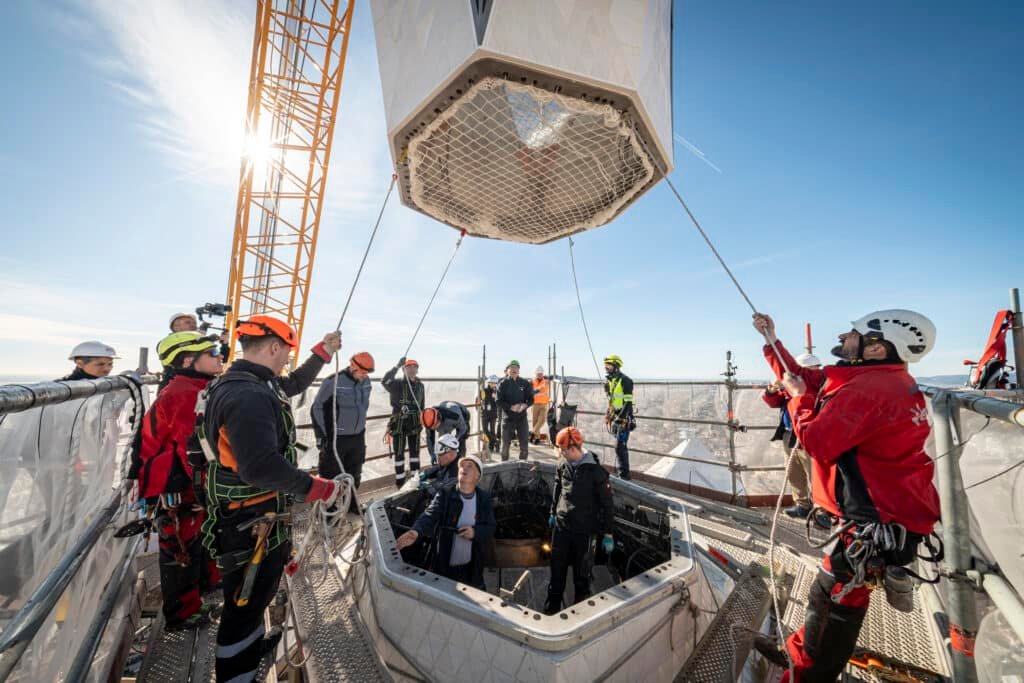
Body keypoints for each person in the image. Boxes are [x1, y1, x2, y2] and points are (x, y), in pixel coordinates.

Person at [751, 310, 940, 683]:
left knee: (834, 600)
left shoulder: (868, 390)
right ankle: (801, 653)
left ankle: (807, 673)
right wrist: (773, 340)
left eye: (855, 334)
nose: (843, 335)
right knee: (835, 594)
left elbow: (818, 440)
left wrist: (799, 401)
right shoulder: (878, 379)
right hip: (887, 513)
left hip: (875, 519)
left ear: (874, 348)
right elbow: (805, 378)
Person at [198, 315, 342, 682]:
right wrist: (316, 488)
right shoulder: (249, 395)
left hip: (249, 517)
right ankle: (236, 674)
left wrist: (322, 353)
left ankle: (247, 652)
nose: (286, 361)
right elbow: (260, 466)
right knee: (244, 603)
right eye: (286, 353)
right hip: (252, 522)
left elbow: (291, 384)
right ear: (274, 347)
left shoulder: (244, 382)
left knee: (251, 599)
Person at [138, 332, 224, 629]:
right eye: (212, 352)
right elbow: (195, 450)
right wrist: (217, 490)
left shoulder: (199, 387)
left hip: (189, 484)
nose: (220, 356)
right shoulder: (183, 393)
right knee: (181, 551)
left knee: (200, 539)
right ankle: (182, 614)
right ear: (188, 360)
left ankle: (207, 585)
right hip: (178, 486)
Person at [394, 455, 496, 589]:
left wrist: (475, 532)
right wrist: (416, 531)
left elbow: (490, 527)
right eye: (461, 466)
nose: (463, 468)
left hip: (471, 567)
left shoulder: (483, 499)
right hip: (445, 564)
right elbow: (430, 514)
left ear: (478, 476)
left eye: (469, 466)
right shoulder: (446, 494)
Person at [543, 427, 615, 615]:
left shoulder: (596, 472)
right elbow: (558, 488)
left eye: (563, 450)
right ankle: (552, 607)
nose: (561, 453)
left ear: (573, 448)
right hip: (562, 527)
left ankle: (579, 611)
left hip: (584, 532)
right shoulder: (563, 464)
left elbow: (607, 505)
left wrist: (608, 534)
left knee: (581, 575)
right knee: (557, 570)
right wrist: (553, 512)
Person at [762, 351, 822, 519]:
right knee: (794, 471)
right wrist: (772, 388)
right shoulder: (791, 389)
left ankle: (823, 510)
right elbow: (772, 402)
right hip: (790, 435)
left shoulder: (819, 388)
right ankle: (803, 505)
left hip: (810, 435)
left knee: (816, 474)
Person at [311, 351, 374, 486]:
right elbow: (317, 408)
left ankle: (351, 504)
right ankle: (331, 507)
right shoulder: (333, 382)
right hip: (337, 439)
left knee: (354, 475)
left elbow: (364, 405)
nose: (365, 376)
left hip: (357, 438)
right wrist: (323, 436)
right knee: (332, 478)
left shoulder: (366, 381)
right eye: (362, 372)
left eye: (367, 373)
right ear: (353, 366)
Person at [382, 357, 425, 486]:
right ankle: (400, 482)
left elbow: (422, 405)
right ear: (403, 369)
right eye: (408, 367)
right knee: (399, 454)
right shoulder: (396, 384)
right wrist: (396, 366)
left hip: (415, 423)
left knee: (415, 453)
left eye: (414, 367)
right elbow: (384, 381)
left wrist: (422, 419)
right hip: (399, 423)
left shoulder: (420, 386)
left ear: (417, 369)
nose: (412, 369)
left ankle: (415, 479)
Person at [603, 354, 635, 479]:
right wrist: (608, 414)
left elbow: (628, 402)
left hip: (624, 418)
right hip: (616, 416)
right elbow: (612, 401)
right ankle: (622, 473)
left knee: (620, 447)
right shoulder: (611, 381)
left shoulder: (626, 381)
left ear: (616, 366)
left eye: (608, 365)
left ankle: (624, 475)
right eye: (605, 366)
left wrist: (620, 418)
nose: (606, 368)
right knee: (619, 447)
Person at [496, 360, 533, 461]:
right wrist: (511, 407)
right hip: (507, 419)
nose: (514, 369)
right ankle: (504, 467)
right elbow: (498, 401)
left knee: (524, 444)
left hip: (522, 418)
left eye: (516, 368)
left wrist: (525, 405)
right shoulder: (502, 384)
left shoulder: (525, 383)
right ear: (507, 370)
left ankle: (523, 465)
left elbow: (531, 399)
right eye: (511, 367)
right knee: (505, 446)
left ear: (519, 370)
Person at [480, 375, 500, 455]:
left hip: (493, 413)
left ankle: (492, 446)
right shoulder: (484, 390)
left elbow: (499, 402)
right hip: (485, 413)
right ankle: (496, 442)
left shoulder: (497, 391)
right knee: (485, 430)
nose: (493, 384)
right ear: (489, 382)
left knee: (492, 430)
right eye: (492, 383)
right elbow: (481, 398)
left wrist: (496, 398)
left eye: (494, 383)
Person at [530, 366, 550, 444]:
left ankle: (532, 432)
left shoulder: (546, 381)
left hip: (544, 404)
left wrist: (536, 390)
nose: (540, 375)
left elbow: (542, 388)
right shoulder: (532, 381)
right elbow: (531, 391)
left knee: (542, 420)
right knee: (535, 421)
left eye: (541, 373)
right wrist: (536, 390)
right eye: (538, 374)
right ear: (536, 374)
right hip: (535, 404)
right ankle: (537, 438)